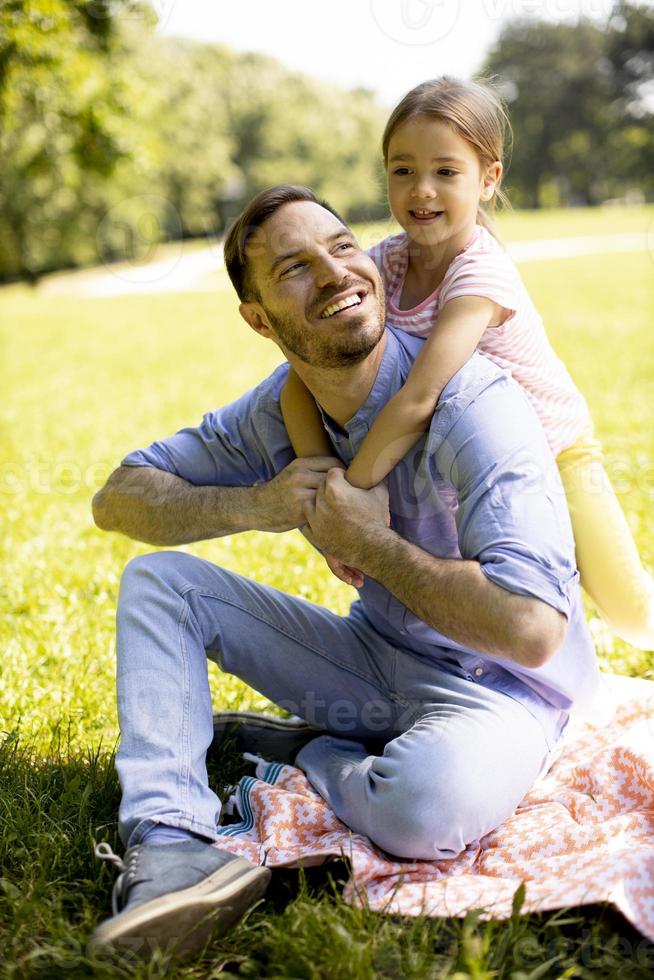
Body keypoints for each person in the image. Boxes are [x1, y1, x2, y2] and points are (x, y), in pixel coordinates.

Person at [90, 184, 612, 956]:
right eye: (297, 268)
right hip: (373, 662)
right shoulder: (275, 411)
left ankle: (315, 753)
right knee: (160, 582)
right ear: (259, 320)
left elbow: (531, 631)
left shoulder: (472, 403)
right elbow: (118, 499)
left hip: (500, 688)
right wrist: (258, 505)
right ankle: (172, 843)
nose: (337, 274)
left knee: (424, 809)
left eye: (342, 247)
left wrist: (370, 546)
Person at [280, 77, 654, 649]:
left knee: (630, 612)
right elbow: (299, 380)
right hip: (472, 467)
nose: (421, 190)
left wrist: (352, 497)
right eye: (402, 170)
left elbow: (420, 397)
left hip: (556, 453)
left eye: (446, 172)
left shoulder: (480, 274)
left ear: (488, 179)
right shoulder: (385, 262)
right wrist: (327, 488)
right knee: (495, 603)